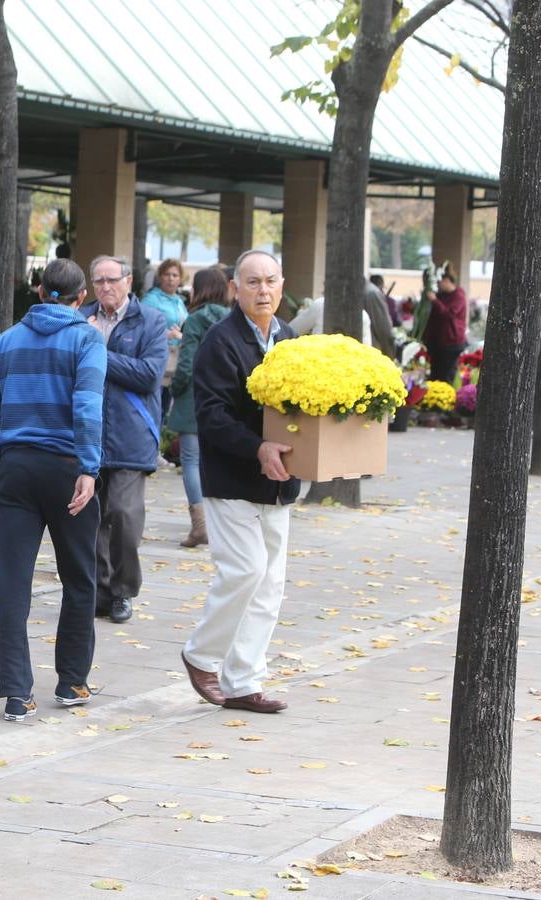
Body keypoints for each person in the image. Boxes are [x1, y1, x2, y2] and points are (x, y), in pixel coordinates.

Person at [0, 258, 107, 722]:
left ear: (38, 291)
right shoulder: (87, 338)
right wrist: (89, 468)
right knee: (79, 577)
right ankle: (71, 681)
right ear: (81, 297)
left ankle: (16, 693)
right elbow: (88, 407)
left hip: (14, 469)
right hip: (67, 468)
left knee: (13, 585)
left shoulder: (7, 341)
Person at [181, 250, 299, 715]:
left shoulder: (288, 337)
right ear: (235, 288)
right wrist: (257, 448)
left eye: (270, 281)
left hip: (280, 483)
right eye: (252, 282)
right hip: (231, 480)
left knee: (270, 584)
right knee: (245, 570)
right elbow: (211, 416)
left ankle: (244, 682)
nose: (263, 290)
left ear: (282, 284)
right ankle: (200, 656)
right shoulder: (219, 340)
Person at [77, 255, 167, 624]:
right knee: (91, 518)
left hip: (132, 432)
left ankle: (123, 590)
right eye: (98, 281)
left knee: (124, 515)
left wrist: (100, 350)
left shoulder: (151, 321)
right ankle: (99, 591)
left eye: (111, 280)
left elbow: (148, 375)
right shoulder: (81, 318)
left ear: (129, 281)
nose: (105, 287)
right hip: (88, 433)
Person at [168, 267, 232, 548]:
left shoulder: (195, 320)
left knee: (191, 460)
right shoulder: (233, 319)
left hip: (194, 397)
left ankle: (200, 525)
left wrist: (175, 389)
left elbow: (187, 364)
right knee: (219, 461)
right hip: (226, 399)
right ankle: (222, 524)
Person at [139, 257, 188, 417]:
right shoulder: (151, 299)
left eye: (175, 275)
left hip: (176, 356)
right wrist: (165, 334)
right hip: (158, 356)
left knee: (167, 406)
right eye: (167, 274)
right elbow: (141, 327)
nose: (171, 278)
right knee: (155, 406)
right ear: (160, 276)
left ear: (181, 279)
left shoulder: (179, 301)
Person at [423, 266, 467, 383]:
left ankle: (445, 398)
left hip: (451, 343)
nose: (437, 285)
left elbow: (449, 314)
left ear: (447, 280)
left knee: (446, 376)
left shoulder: (459, 295)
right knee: (435, 375)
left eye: (439, 282)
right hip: (437, 343)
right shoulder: (441, 295)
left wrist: (434, 300)